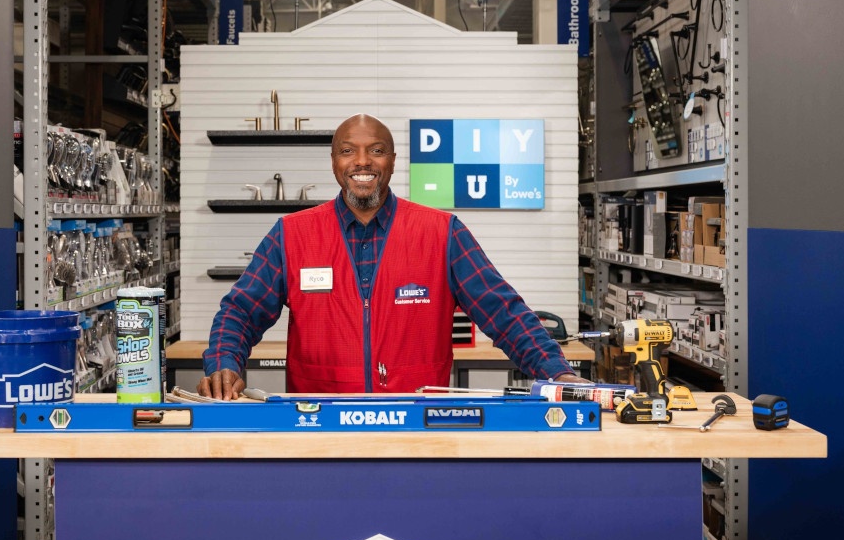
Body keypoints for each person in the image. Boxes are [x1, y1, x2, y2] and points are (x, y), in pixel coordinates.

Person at [198, 113, 588, 399]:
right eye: (348, 151)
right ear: (334, 162)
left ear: (393, 161)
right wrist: (223, 363)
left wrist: (557, 372)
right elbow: (240, 312)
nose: (363, 162)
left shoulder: (441, 233)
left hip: (418, 418)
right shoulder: (292, 235)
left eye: (377, 151)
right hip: (318, 422)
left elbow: (502, 310)